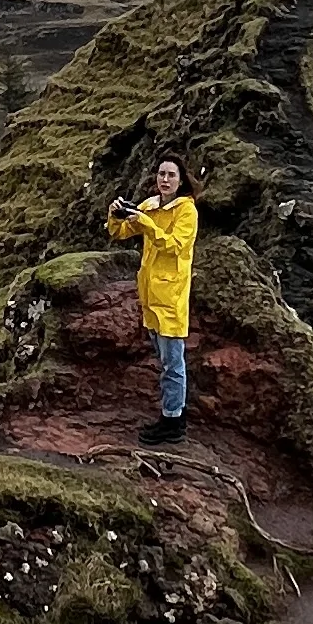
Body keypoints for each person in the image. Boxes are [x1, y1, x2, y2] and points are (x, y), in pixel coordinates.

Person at [105, 152, 198, 441]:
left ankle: (173, 422)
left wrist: (146, 223)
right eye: (161, 174)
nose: (165, 179)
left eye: (171, 175)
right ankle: (173, 414)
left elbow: (174, 247)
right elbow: (119, 233)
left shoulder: (187, 212)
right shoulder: (149, 206)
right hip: (150, 294)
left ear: (181, 180)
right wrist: (115, 213)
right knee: (165, 359)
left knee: (173, 363)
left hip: (171, 297)